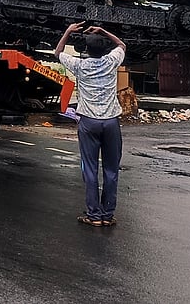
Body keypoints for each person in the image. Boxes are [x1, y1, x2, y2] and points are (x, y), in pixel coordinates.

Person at [54, 21, 127, 228]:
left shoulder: (80, 65)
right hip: (111, 122)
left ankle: (94, 215)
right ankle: (108, 214)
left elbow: (58, 52)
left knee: (90, 169)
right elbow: (122, 45)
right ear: (105, 49)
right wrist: (103, 31)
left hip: (88, 122)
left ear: (86, 50)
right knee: (111, 170)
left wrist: (68, 31)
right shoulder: (112, 61)